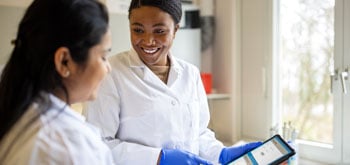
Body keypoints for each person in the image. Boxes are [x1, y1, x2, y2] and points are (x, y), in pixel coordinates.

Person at [83, 0, 261, 164]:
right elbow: (96, 144)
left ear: (175, 30)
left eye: (159, 31)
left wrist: (221, 154)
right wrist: (159, 158)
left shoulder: (190, 74)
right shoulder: (110, 73)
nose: (148, 40)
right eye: (138, 30)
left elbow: (198, 134)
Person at [0, 0, 114, 164]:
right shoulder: (70, 147)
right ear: (64, 61)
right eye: (103, 57)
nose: (108, 68)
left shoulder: (16, 112)